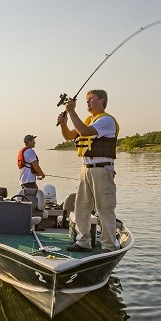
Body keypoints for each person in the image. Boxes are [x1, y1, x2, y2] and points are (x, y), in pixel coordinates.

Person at [57, 89, 119, 252]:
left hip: (102, 169)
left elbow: (84, 132)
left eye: (91, 99)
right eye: (87, 99)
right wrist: (64, 123)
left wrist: (71, 111)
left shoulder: (106, 121)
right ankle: (83, 241)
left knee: (105, 208)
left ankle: (109, 246)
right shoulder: (88, 121)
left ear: (102, 100)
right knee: (81, 207)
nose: (88, 102)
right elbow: (70, 136)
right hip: (85, 169)